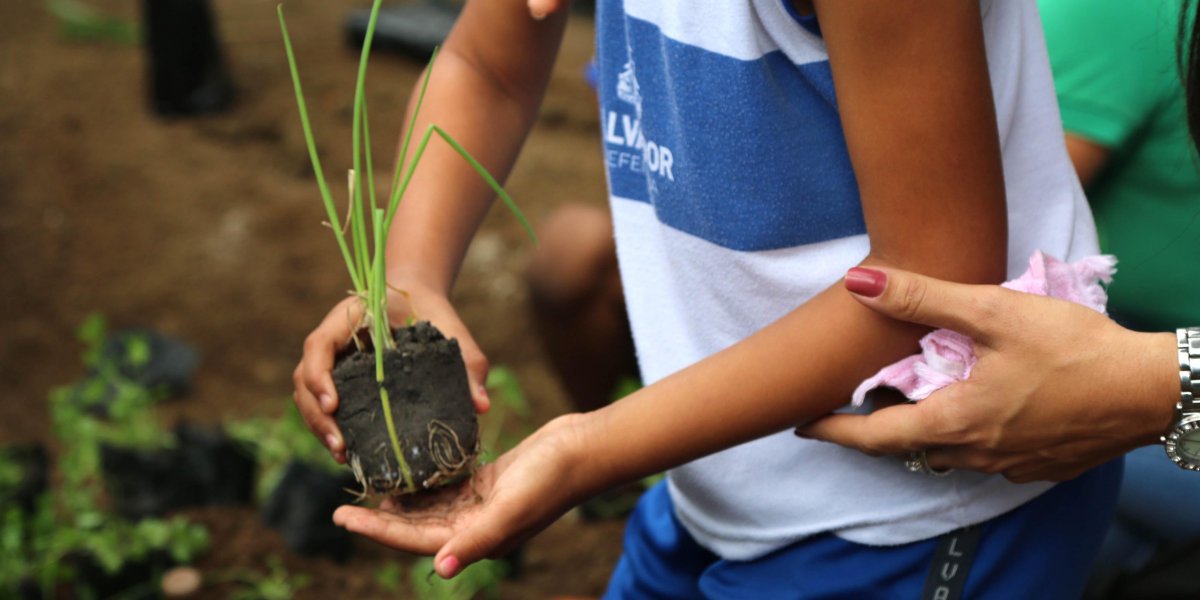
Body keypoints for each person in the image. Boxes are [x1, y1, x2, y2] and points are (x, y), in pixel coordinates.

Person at [293, 0, 1114, 596]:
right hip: (714, 475)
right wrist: (410, 277)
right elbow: (485, 64)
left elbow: (931, 284)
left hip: (911, 514)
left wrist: (587, 452)